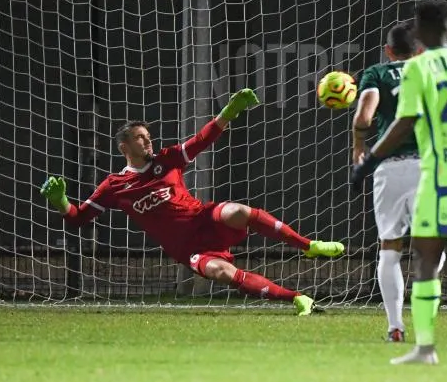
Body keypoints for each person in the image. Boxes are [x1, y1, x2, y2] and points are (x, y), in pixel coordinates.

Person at [39, 88, 344, 314]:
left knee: (239, 211)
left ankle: (309, 246)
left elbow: (201, 141)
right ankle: (296, 298)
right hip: (190, 249)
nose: (148, 140)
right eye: (140, 137)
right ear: (124, 147)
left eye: (148, 135)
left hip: (205, 218)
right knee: (221, 274)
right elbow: (77, 219)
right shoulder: (114, 185)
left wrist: (228, 113)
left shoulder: (168, 159)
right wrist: (61, 200)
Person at [351, 0, 447, 365]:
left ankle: (423, 347)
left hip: (440, 173)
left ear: (419, 34)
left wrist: (368, 159)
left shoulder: (419, 68)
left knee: (424, 257)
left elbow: (403, 122)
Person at [353, 22, 445, 342]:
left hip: (389, 168)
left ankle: (395, 326)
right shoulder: (432, 70)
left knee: (390, 248)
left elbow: (364, 117)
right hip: (429, 167)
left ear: (388, 51)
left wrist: (358, 147)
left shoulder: (377, 73)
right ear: (419, 49)